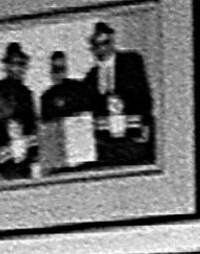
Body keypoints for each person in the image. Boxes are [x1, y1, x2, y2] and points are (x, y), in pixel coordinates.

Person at [87, 19, 155, 167]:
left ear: (111, 41)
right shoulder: (91, 76)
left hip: (132, 132)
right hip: (108, 139)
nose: (101, 49)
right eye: (96, 45)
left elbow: (143, 95)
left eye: (105, 43)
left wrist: (145, 125)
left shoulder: (131, 61)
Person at [0, 41, 39, 182]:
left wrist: (33, 156)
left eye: (22, 64)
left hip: (22, 164)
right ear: (7, 66)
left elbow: (34, 129)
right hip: (2, 163)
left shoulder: (26, 94)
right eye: (14, 64)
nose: (18, 68)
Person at [37, 48, 99, 171]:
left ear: (66, 69)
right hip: (60, 154)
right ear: (51, 72)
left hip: (81, 149)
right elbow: (47, 128)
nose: (59, 74)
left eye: (61, 69)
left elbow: (88, 117)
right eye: (55, 70)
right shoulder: (47, 97)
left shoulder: (79, 89)